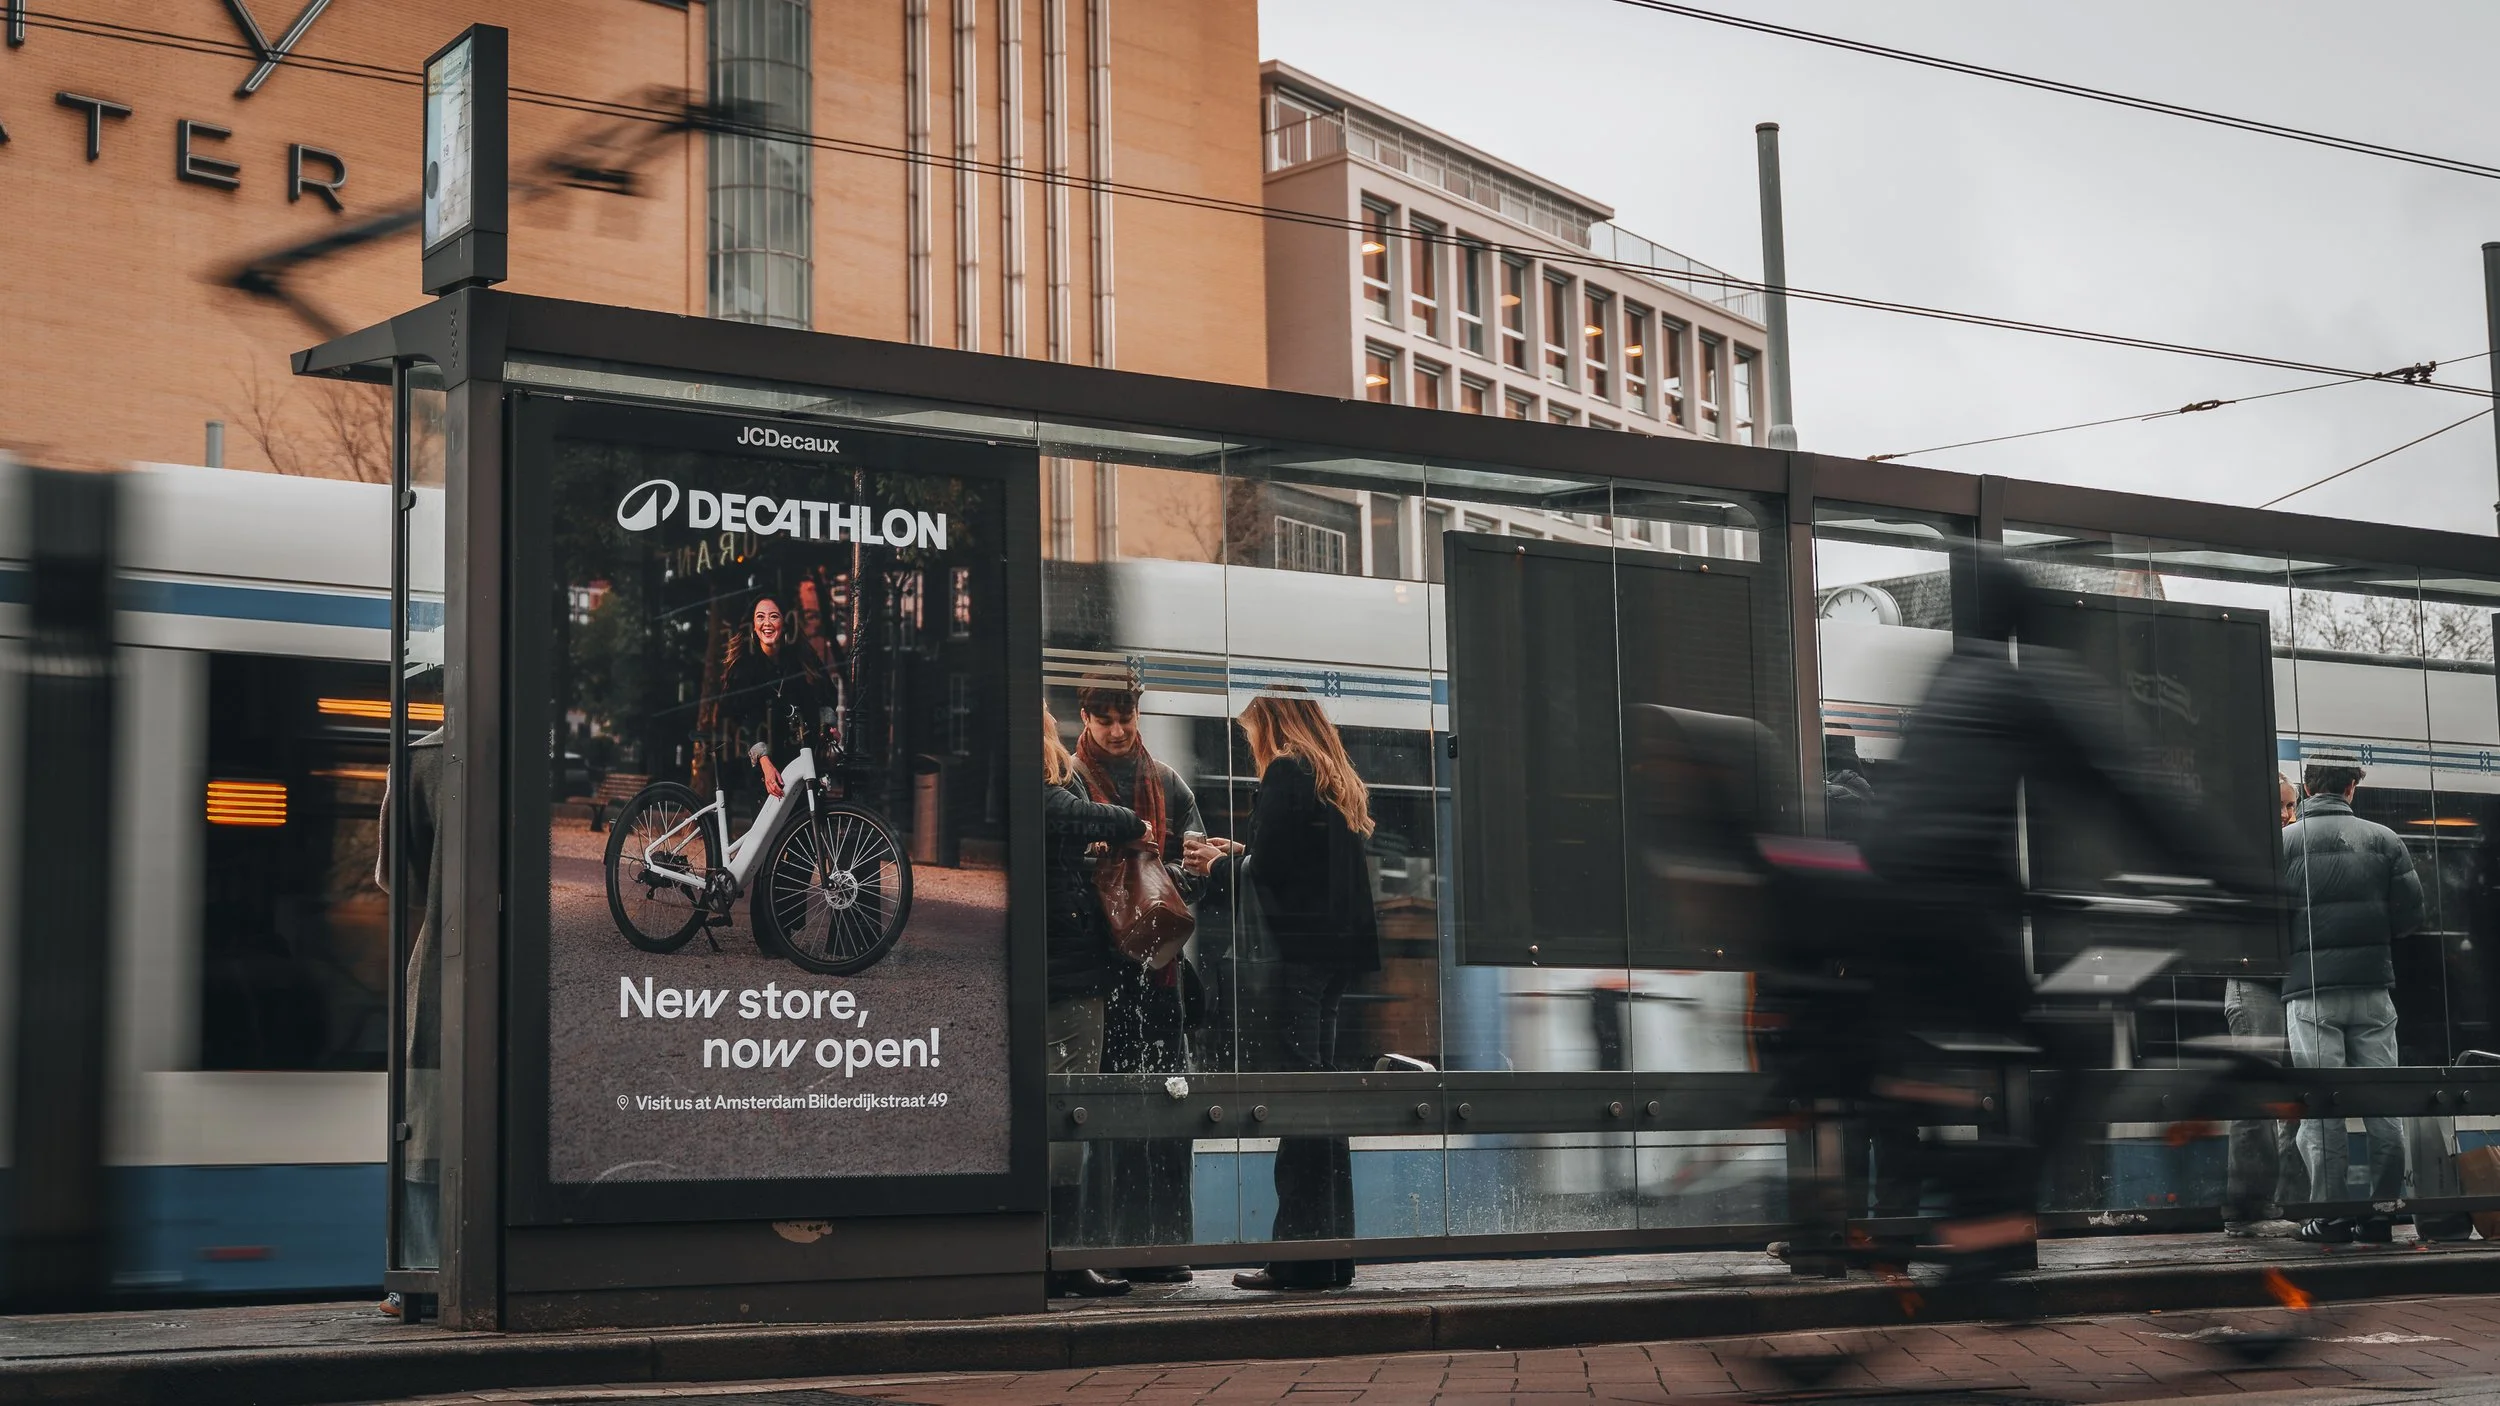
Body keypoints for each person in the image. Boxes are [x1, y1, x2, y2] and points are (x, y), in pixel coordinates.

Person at [1204, 688, 1380, 1292]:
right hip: (1335, 957)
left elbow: (1271, 873)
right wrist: (1242, 854)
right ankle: (1333, 1257)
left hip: (1298, 959)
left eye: (1252, 733)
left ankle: (1296, 1261)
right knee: (1323, 1100)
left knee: (1300, 1100)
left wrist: (1215, 867)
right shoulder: (1330, 777)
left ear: (1272, 728)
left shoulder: (1285, 770)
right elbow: (1295, 864)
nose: (1250, 745)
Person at [1068, 675, 1203, 1280]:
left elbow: (1197, 865)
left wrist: (1160, 873)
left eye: (1126, 718)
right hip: (1100, 972)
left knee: (1169, 1108)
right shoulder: (1070, 781)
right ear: (1086, 719)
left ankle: (1166, 1249)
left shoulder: (1168, 782)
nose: (1119, 731)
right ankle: (1114, 1246)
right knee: (1112, 1112)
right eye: (1106, 720)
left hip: (1160, 971)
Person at [2283, 758, 2423, 1244]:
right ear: (2351, 789)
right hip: (2372, 991)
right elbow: (2411, 916)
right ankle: (2382, 1213)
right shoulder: (2385, 840)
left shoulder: (2283, 843)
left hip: (2311, 991)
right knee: (2383, 1104)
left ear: (2306, 788)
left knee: (2323, 1105)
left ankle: (2334, 1215)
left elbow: (2268, 922)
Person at [1041, 705, 1146, 1298]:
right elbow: (1071, 813)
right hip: (1070, 974)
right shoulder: (1046, 783)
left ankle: (1060, 1254)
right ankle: (1065, 1256)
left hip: (1054, 969)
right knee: (1072, 1112)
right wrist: (1128, 821)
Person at [2220, 775, 2308, 1239]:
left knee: (2289, 1095)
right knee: (2256, 1096)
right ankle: (2249, 1207)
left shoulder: (2291, 848)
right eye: (2281, 805)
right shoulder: (2245, 849)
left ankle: (2283, 1202)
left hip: (2287, 981)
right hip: (2254, 982)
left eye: (2293, 805)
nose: (2288, 814)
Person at [717, 592, 831, 817]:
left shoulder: (799, 659)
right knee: (769, 839)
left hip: (798, 756)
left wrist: (828, 723)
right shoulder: (744, 668)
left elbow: (824, 692)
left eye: (774, 617)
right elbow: (744, 720)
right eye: (760, 617)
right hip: (760, 760)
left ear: (784, 623)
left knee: (805, 830)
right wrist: (765, 763)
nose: (766, 623)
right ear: (753, 626)